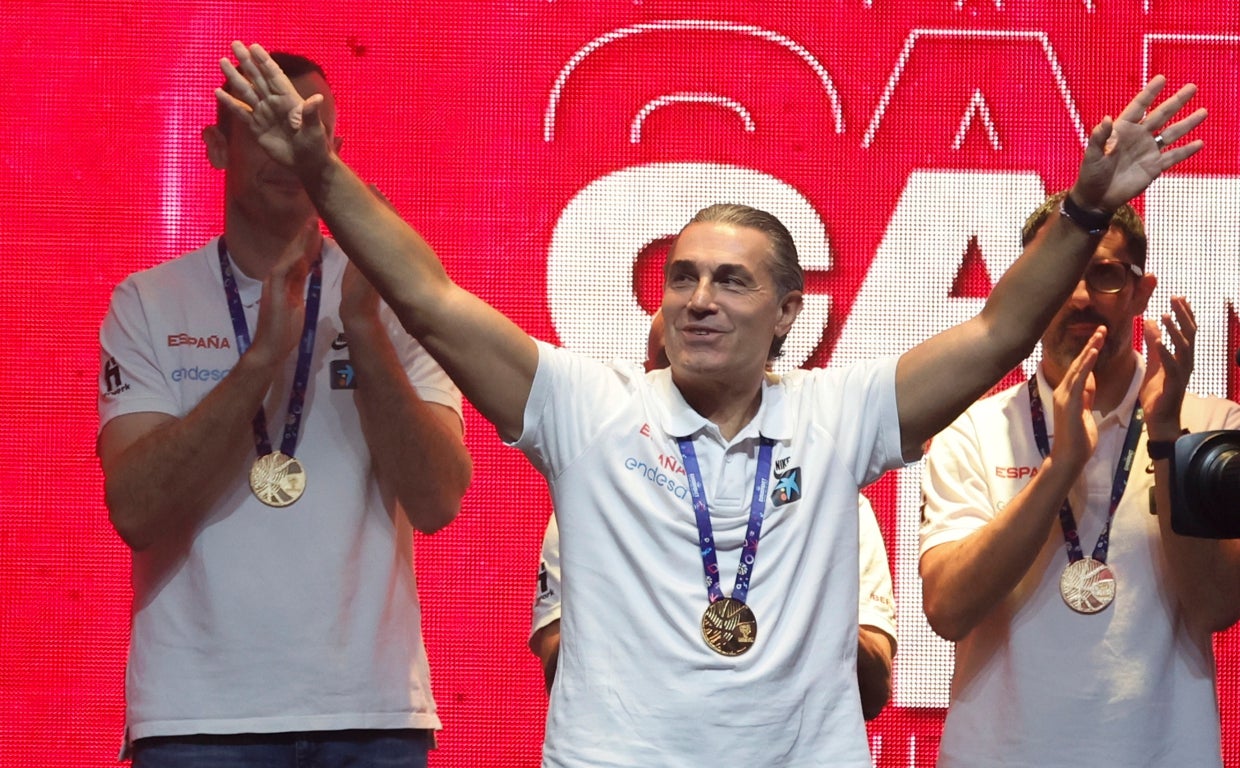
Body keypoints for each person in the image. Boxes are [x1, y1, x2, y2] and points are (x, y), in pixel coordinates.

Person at [216, 41, 1205, 766]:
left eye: (730, 283)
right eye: (681, 276)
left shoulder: (836, 415)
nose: (697, 297)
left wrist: (1080, 214)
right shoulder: (586, 407)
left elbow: (996, 333)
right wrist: (320, 172)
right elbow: (430, 300)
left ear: (786, 313)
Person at [97, 52, 471, 765]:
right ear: (215, 147)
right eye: (261, 128)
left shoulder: (394, 292)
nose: (286, 148)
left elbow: (438, 500)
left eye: (307, 128)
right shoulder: (147, 301)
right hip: (196, 717)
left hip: (373, 713)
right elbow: (136, 510)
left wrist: (364, 333)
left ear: (333, 151)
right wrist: (263, 359)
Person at [919, 192, 1240, 766]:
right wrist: (1058, 469)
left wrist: (1167, 439)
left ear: (1142, 292)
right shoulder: (971, 429)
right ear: (1029, 290)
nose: (1078, 295)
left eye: (1105, 276)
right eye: (1061, 272)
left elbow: (1216, 604)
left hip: (1163, 752)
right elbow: (948, 609)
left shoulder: (1213, 429)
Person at [529, 315, 897, 720]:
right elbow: (560, 674)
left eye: (719, 364)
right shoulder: (592, 500)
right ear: (651, 376)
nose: (697, 388)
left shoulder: (829, 497)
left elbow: (874, 689)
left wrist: (798, 613)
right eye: (674, 369)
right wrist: (652, 595)